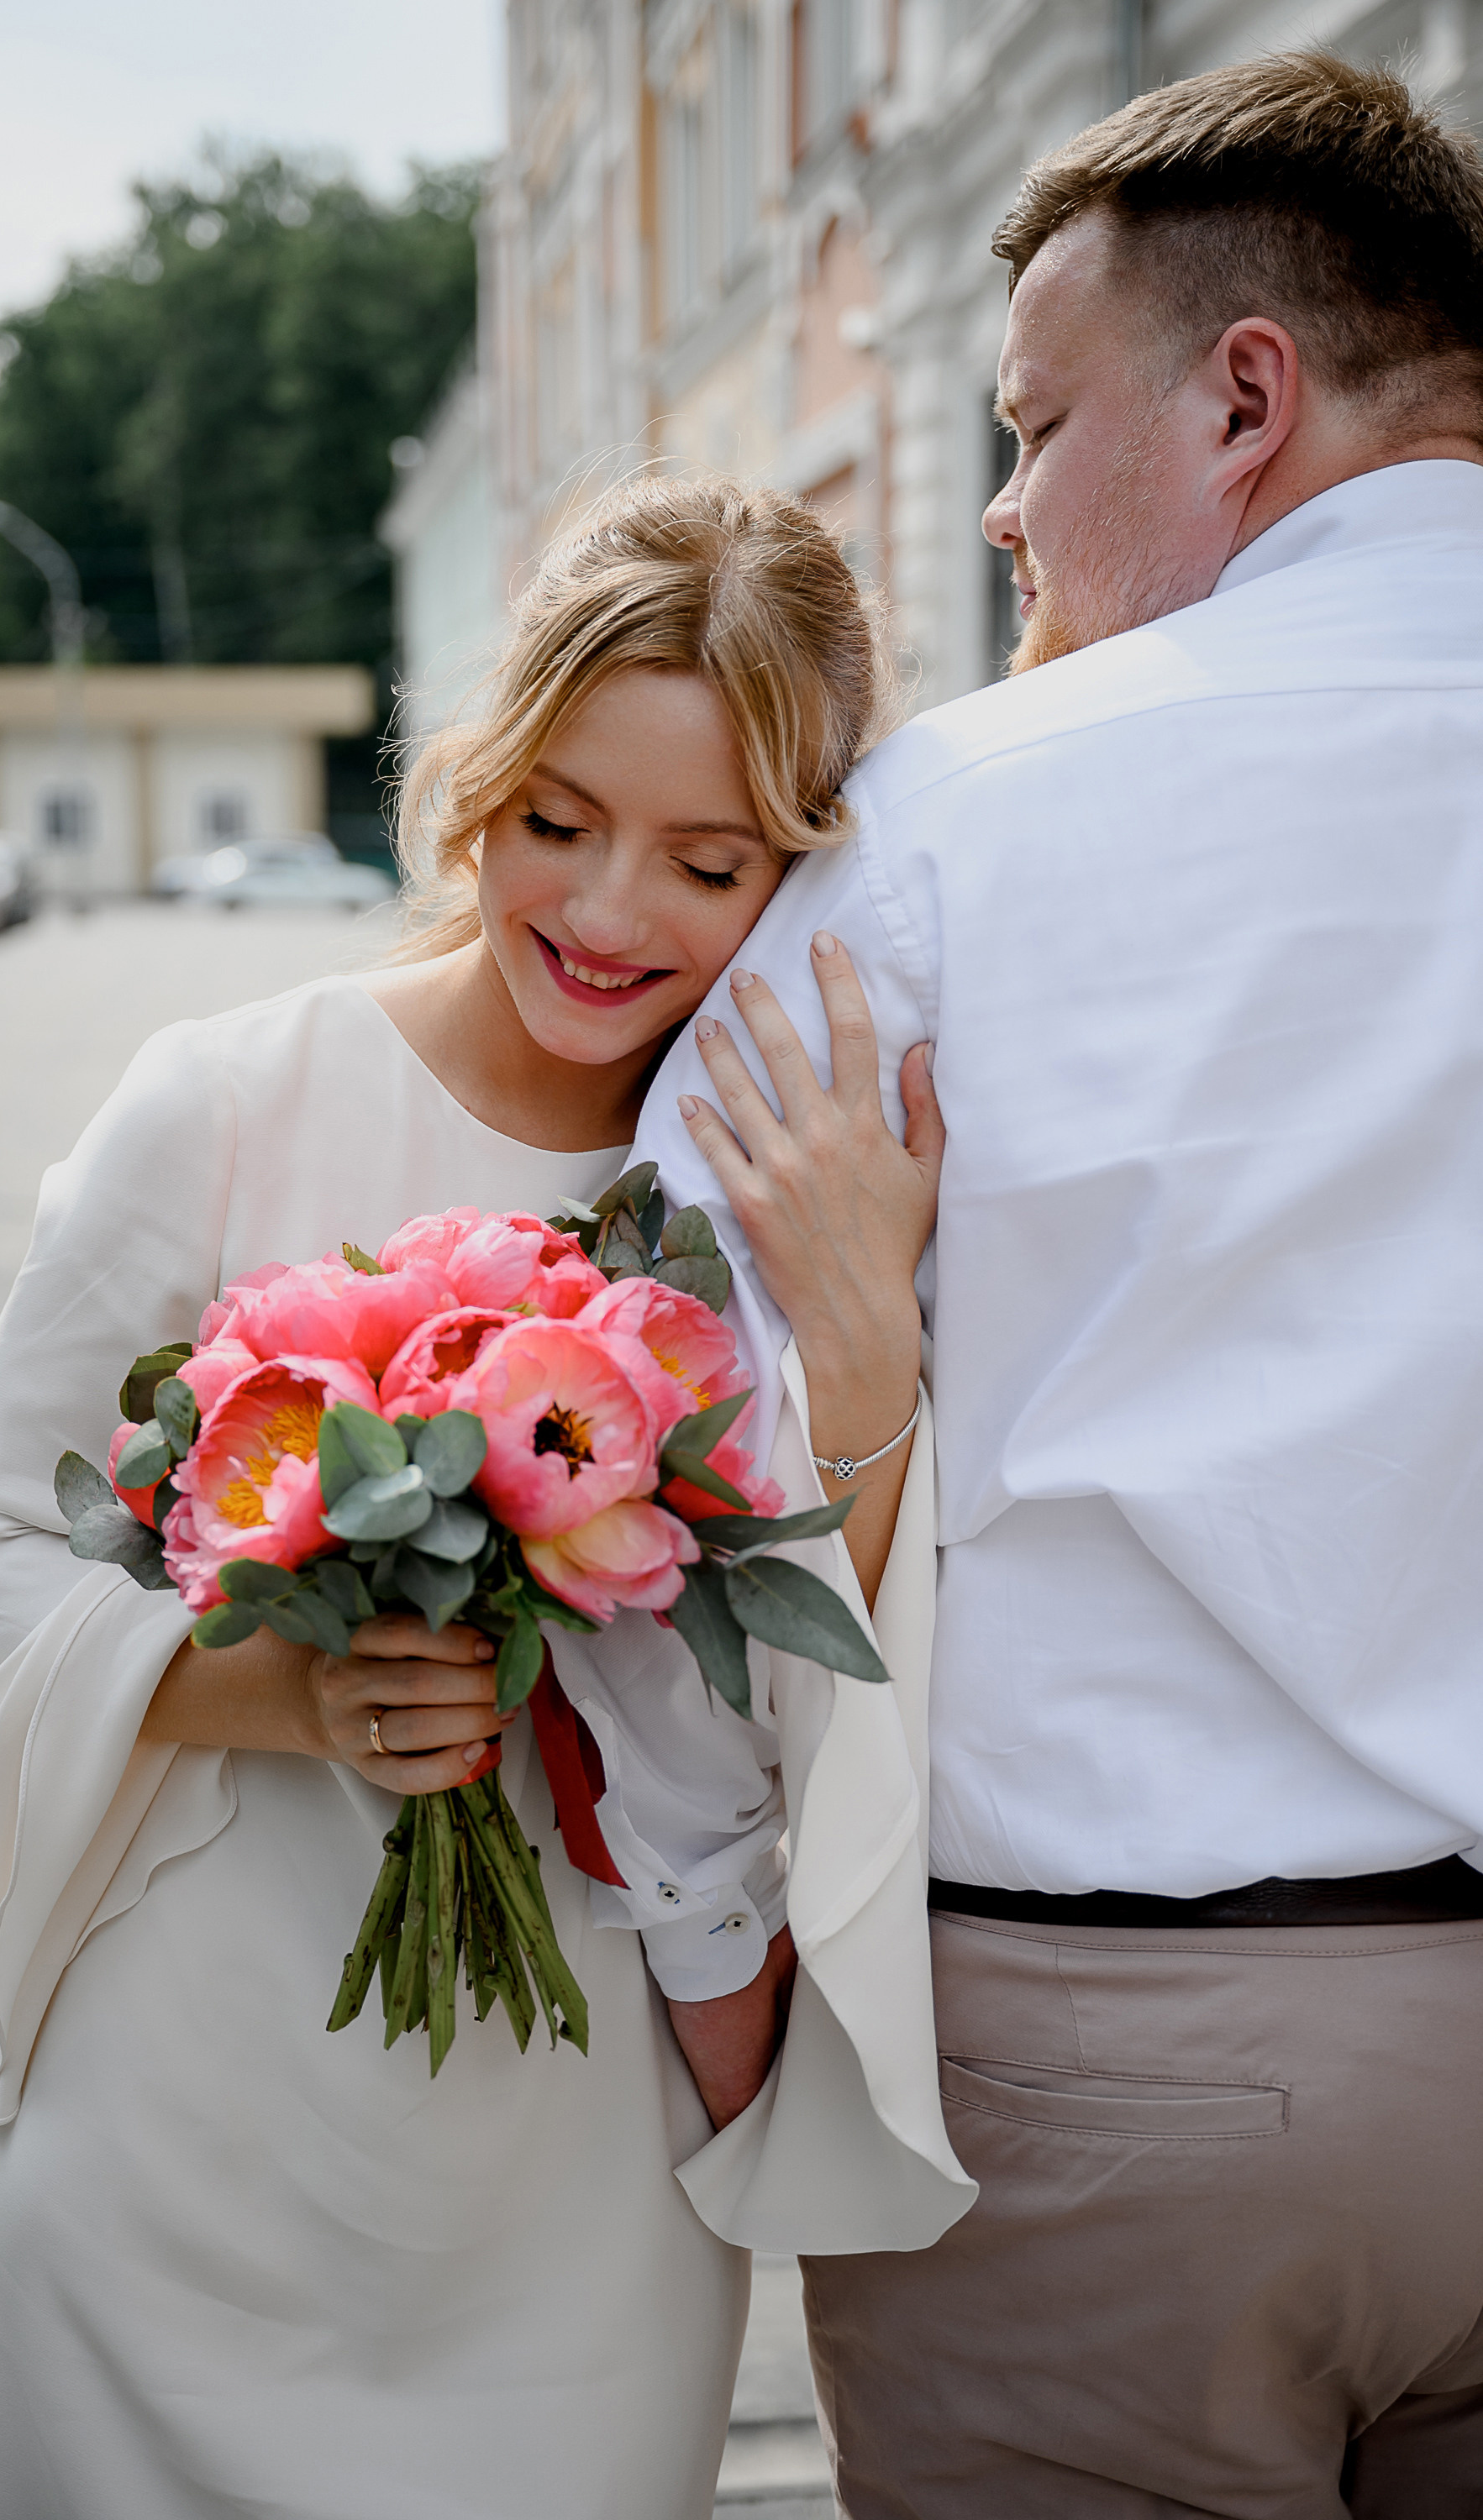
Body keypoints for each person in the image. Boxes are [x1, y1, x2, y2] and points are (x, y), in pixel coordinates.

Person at [0, 476, 941, 2520]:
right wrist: (291, 1692)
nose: (607, 917)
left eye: (710, 860)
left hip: (580, 2165)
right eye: (558, 823)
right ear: (476, 783)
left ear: (802, 870)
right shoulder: (224, 1094)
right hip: (191, 2133)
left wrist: (867, 1366)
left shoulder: (766, 1194)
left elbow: (825, 1699)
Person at [623, 49, 1483, 2519]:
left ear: (1243, 399)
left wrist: (724, 1997)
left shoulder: (951, 832)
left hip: (1106, 2073)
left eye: (1022, 427)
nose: (995, 511)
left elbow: (655, 1457)